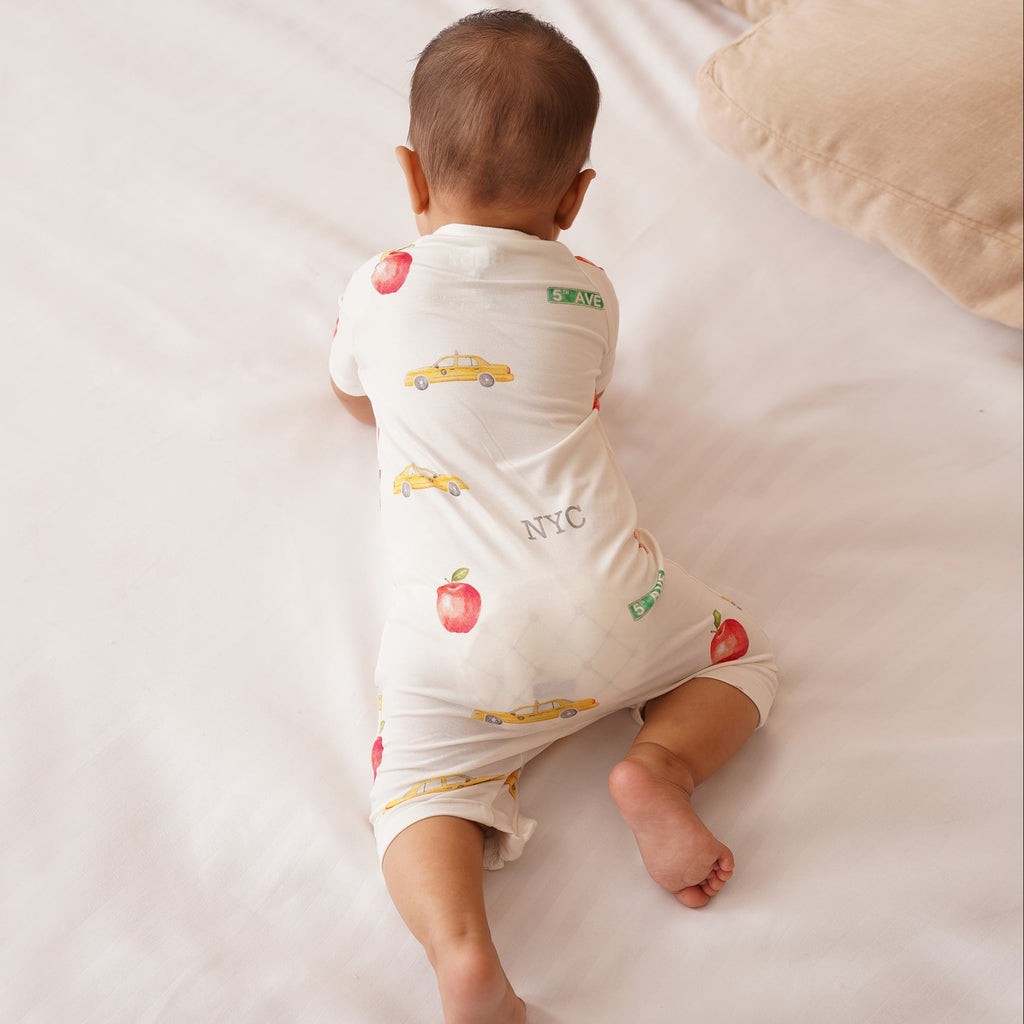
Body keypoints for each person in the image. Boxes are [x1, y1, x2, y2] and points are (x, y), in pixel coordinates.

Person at [330, 11, 778, 1022]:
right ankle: (657, 769)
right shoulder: (589, 294)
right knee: (740, 658)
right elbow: (584, 395)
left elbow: (353, 396)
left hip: (458, 651)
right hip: (614, 607)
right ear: (576, 198)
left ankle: (462, 954)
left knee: (414, 789)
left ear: (410, 177)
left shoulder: (381, 288)